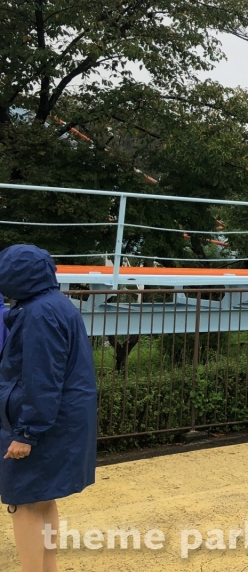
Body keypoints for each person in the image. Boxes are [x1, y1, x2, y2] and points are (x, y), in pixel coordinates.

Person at [0, 245, 97, 572]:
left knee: (23, 503)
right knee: (43, 499)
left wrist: (27, 433)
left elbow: (41, 378)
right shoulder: (58, 304)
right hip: (65, 419)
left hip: (43, 425)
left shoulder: (38, 313)